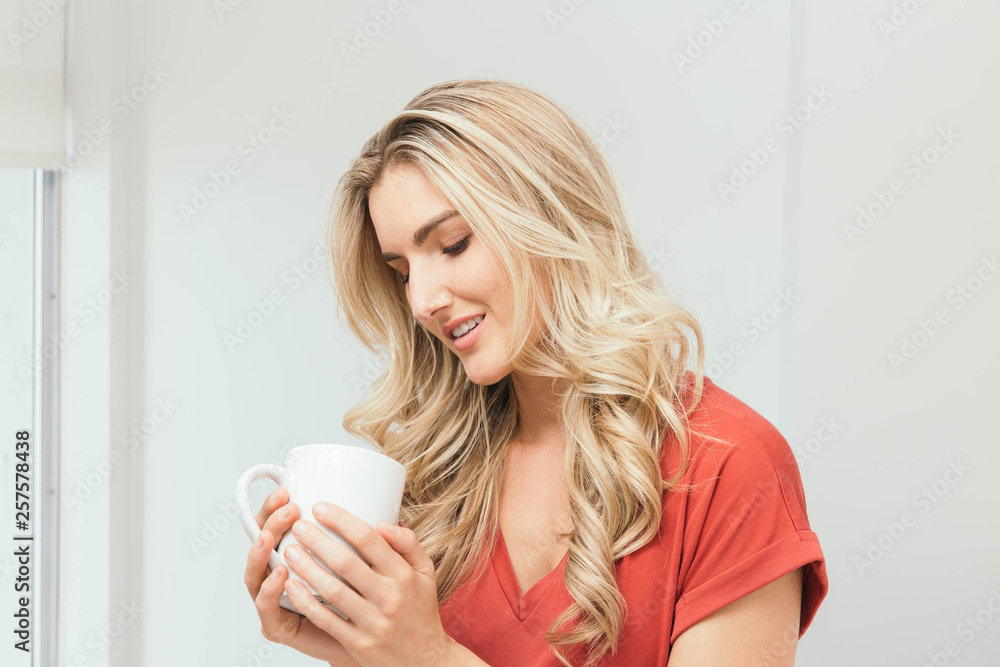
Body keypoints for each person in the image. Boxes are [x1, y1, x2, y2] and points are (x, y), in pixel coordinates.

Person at [242, 78, 828, 666]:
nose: (421, 301)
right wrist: (351, 645)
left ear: (552, 222)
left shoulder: (729, 464)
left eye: (453, 244)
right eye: (402, 272)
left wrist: (431, 657)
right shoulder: (434, 481)